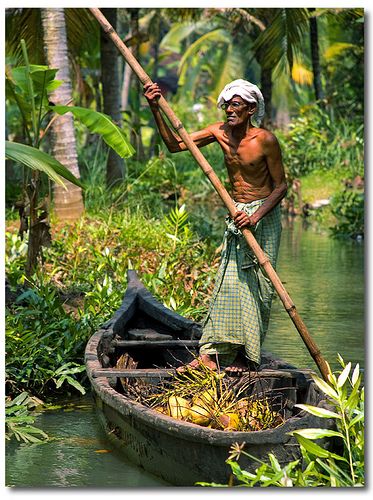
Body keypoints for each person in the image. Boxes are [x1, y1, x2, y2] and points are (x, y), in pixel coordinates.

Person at [143, 79, 287, 373]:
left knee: (261, 287)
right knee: (230, 283)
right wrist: (155, 107)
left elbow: (281, 187)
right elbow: (175, 145)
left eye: (236, 105)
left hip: (263, 216)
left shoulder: (266, 140)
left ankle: (246, 358)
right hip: (237, 213)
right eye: (226, 105)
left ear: (251, 109)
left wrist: (256, 216)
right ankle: (212, 353)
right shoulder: (218, 132)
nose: (229, 111)